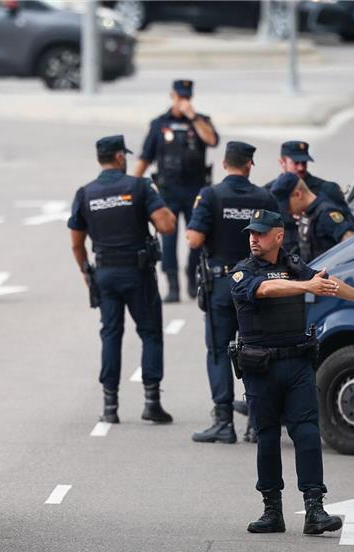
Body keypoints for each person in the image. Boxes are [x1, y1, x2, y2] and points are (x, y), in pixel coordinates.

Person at [230, 209, 354, 535]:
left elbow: (325, 282)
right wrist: (305, 286)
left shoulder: (294, 265)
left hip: (297, 365)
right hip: (262, 368)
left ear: (278, 235)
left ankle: (315, 509)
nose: (253, 238)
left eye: (260, 232)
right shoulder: (243, 271)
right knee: (268, 438)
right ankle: (272, 510)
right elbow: (265, 291)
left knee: (306, 434)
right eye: (251, 233)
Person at [69, 135, 176, 425]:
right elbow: (167, 226)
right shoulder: (139, 187)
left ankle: (110, 405)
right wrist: (158, 198)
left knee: (110, 334)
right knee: (150, 333)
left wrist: (85, 271)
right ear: (119, 157)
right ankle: (151, 402)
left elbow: (77, 244)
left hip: (104, 274)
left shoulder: (85, 193)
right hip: (138, 273)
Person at [187, 142, 279, 444]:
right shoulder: (265, 197)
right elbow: (277, 240)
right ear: (250, 164)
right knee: (256, 350)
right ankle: (256, 422)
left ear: (225, 163)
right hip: (257, 285)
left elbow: (194, 240)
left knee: (218, 351)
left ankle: (224, 422)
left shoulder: (211, 195)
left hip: (223, 285)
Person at [134, 79, 219, 303]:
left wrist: (193, 117)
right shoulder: (159, 124)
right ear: (172, 95)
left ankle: (192, 275)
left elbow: (212, 140)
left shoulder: (201, 122)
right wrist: (131, 185)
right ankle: (172, 284)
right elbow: (145, 156)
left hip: (196, 190)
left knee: (197, 237)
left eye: (187, 97)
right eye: (180, 96)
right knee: (168, 239)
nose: (183, 101)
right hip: (168, 190)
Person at [270, 172, 354, 262]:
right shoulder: (308, 214)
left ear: (298, 194)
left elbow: (352, 242)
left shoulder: (325, 212)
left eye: (287, 206)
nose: (287, 210)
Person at [264, 141, 351, 217]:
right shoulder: (269, 193)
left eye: (304, 162)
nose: (301, 168)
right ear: (282, 162)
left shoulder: (326, 189)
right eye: (296, 163)